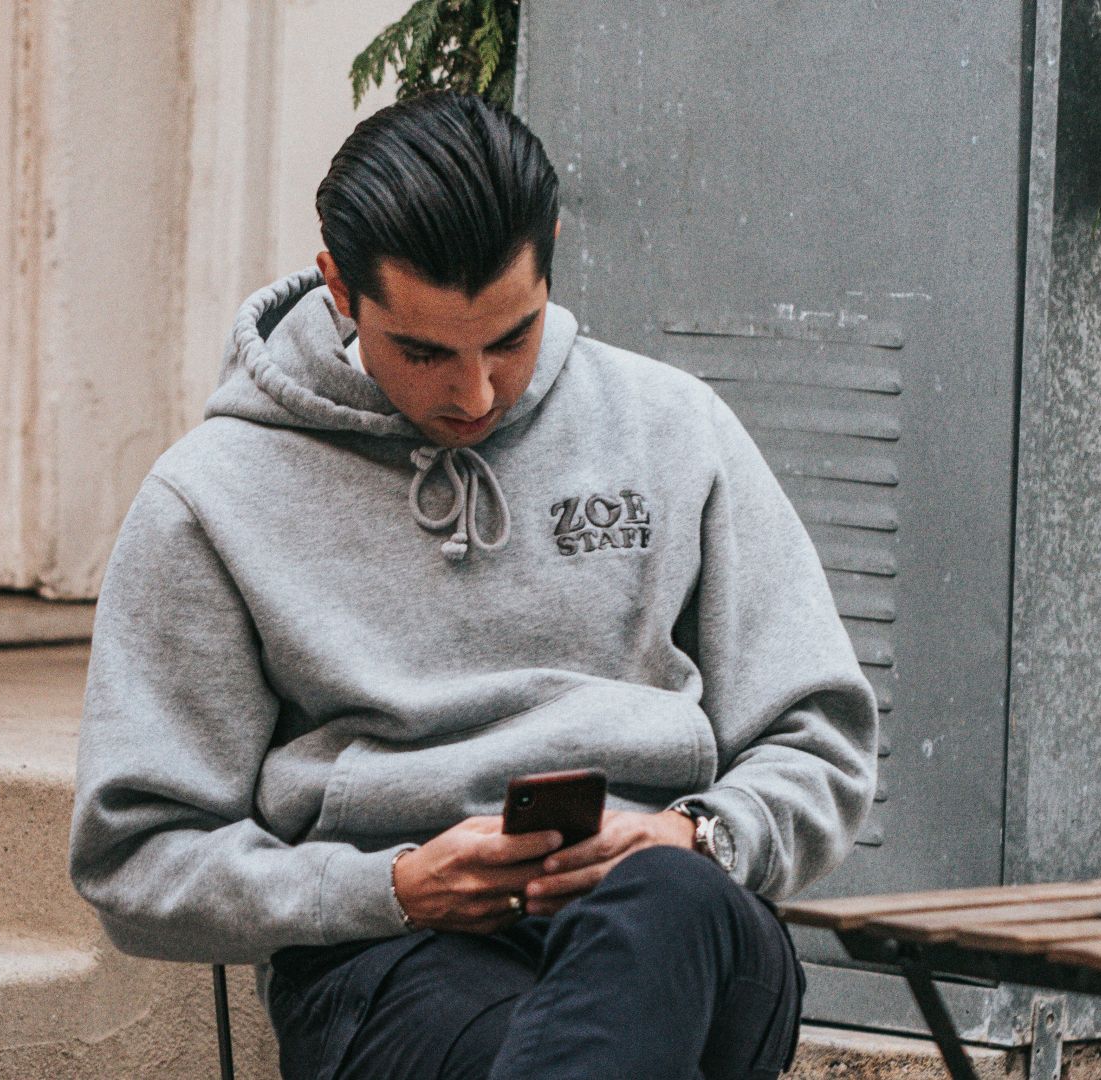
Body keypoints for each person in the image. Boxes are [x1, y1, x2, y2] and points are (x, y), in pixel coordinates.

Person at [69, 91, 878, 1080]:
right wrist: (394, 888)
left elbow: (819, 739)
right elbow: (137, 862)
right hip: (390, 962)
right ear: (338, 287)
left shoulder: (673, 429)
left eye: (512, 337)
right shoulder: (211, 498)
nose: (476, 393)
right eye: (424, 351)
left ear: (550, 262)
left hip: (688, 935)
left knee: (666, 899)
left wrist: (695, 832)